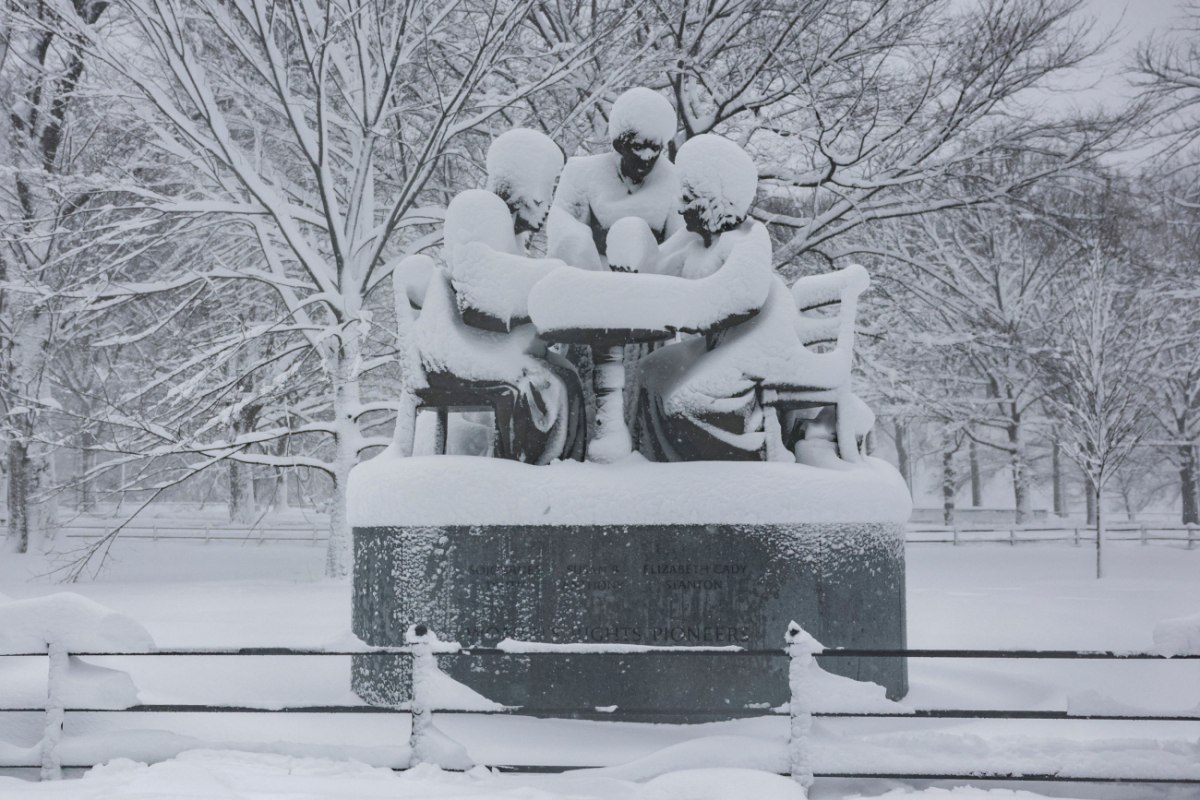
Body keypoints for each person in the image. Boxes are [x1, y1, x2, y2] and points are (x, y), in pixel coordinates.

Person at [634, 134, 813, 462]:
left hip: (754, 351)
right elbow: (655, 268)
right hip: (717, 347)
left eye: (688, 197)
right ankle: (660, 461)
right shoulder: (696, 240)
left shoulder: (747, 239)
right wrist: (633, 249)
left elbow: (742, 298)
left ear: (714, 199)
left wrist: (683, 308)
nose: (680, 207)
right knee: (650, 371)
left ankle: (727, 460)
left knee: (686, 403)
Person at [411, 129, 586, 464]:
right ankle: (528, 469)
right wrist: (552, 277)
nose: (548, 206)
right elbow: (482, 299)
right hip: (459, 350)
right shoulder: (477, 210)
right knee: (542, 384)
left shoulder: (510, 234)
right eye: (545, 192)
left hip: (484, 344)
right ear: (526, 188)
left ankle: (558, 466)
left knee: (567, 375)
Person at [547, 88, 682, 271]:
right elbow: (566, 244)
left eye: (655, 148)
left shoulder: (674, 182)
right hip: (592, 281)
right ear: (620, 145)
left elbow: (677, 254)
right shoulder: (581, 174)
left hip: (650, 284)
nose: (647, 157)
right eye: (638, 147)